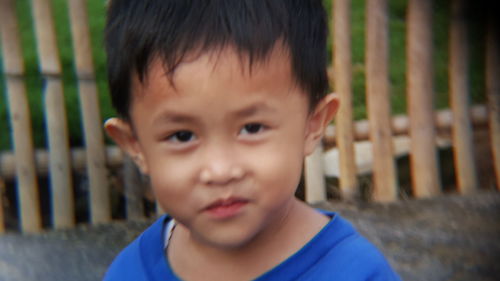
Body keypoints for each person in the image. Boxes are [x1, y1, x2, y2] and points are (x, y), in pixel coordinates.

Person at [103, 0, 401, 280]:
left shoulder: (356, 273)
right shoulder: (129, 272)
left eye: (252, 128)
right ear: (136, 146)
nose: (220, 171)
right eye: (182, 136)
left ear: (313, 124)